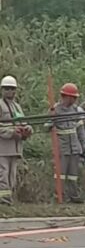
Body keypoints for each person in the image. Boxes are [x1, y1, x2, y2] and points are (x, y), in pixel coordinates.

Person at [44, 83, 85, 203]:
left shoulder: (76, 110)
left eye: (75, 98)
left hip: (74, 146)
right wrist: (51, 122)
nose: (74, 100)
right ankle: (59, 196)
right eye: (72, 97)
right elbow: (46, 126)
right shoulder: (55, 110)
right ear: (66, 96)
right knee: (60, 174)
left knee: (73, 174)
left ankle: (73, 195)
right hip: (62, 147)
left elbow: (80, 129)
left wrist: (84, 145)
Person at [0, 75, 33, 205]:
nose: (9, 92)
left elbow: (24, 123)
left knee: (11, 177)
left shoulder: (17, 107)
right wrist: (11, 132)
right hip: (2, 148)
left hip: (15, 148)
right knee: (3, 174)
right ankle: (3, 200)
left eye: (12, 89)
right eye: (7, 89)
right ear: (2, 90)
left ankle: (9, 199)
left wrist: (28, 130)